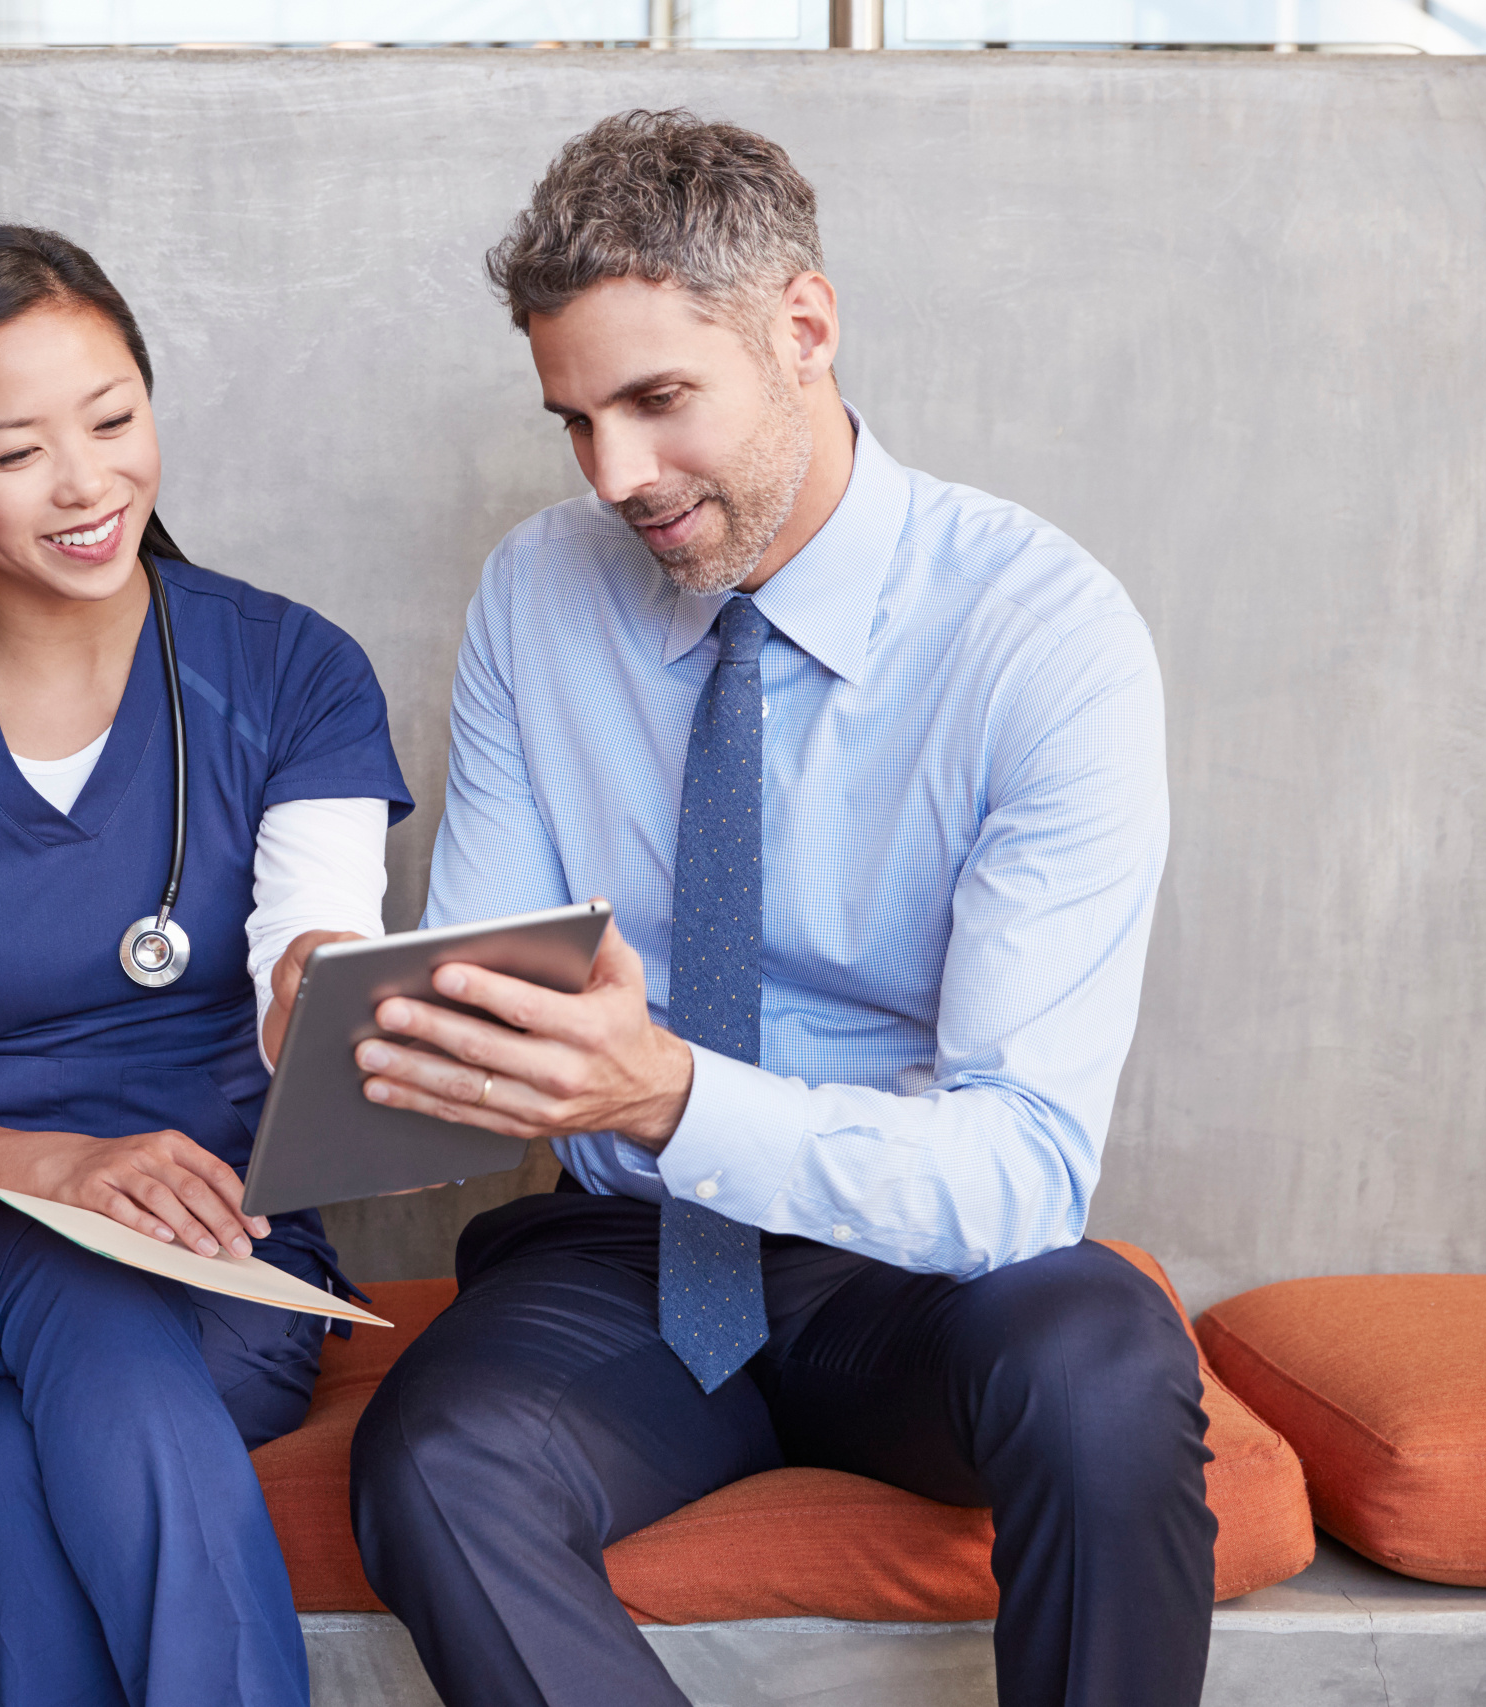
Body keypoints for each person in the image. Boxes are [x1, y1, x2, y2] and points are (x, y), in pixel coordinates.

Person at [343, 111, 1212, 1707]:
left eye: (659, 402)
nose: (616, 476)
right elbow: (485, 997)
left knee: (1104, 1361)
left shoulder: (1044, 639)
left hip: (928, 1274)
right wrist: (375, 1035)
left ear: (803, 329)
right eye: (575, 421)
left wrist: (672, 1091)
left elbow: (1022, 1165)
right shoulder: (537, 596)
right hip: (635, 1257)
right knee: (435, 1459)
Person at [0, 222, 412, 1707]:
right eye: (18, 452)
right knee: (76, 1316)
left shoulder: (289, 672)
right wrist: (48, 1167)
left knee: (19, 1469)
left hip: (223, 1257)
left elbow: (313, 941)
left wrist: (332, 995)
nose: (89, 486)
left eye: (114, 419)